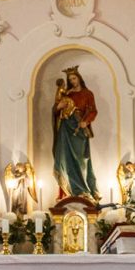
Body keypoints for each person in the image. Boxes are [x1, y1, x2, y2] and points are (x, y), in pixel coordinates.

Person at [52, 66, 100, 201]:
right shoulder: (68, 94)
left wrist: (86, 121)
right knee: (66, 158)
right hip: (66, 128)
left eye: (74, 78)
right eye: (70, 80)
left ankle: (83, 190)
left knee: (81, 159)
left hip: (79, 128)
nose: (72, 81)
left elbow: (93, 111)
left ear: (79, 78)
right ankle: (70, 191)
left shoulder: (88, 94)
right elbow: (56, 110)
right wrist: (58, 107)